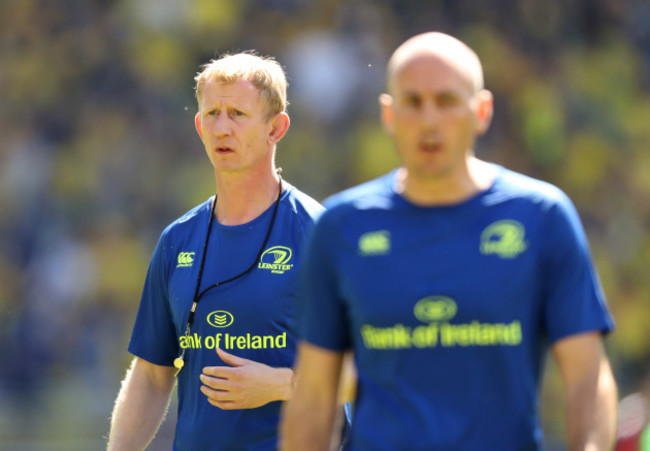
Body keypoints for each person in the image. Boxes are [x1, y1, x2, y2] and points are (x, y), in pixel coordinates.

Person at [281, 32, 618, 450]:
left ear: (482, 111)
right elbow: (313, 395)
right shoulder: (340, 226)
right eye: (413, 102)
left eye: (446, 101)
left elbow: (587, 376)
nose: (429, 120)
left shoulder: (541, 216)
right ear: (389, 114)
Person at [107, 52, 325, 450]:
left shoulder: (318, 232)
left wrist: (280, 384)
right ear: (199, 126)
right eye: (212, 114)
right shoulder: (177, 240)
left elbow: (371, 370)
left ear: (276, 127)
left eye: (238, 114)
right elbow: (152, 376)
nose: (222, 128)